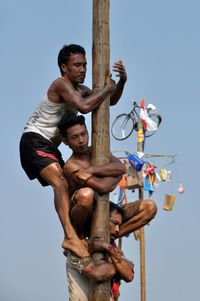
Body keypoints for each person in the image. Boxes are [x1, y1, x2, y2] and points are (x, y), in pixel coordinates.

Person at [19, 44, 127, 258]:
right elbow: (86, 106)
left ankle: (76, 235)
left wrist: (121, 82)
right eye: (77, 65)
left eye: (84, 65)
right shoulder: (61, 84)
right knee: (59, 182)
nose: (83, 69)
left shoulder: (80, 90)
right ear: (64, 67)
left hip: (48, 146)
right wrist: (106, 88)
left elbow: (109, 101)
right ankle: (70, 236)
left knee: (68, 188)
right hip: (34, 141)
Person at [59, 114, 157, 241]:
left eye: (84, 134)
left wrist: (92, 170)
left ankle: (108, 239)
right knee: (86, 195)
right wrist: (115, 174)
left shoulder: (97, 150)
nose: (81, 140)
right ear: (66, 141)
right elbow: (104, 187)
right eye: (75, 137)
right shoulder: (71, 166)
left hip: (107, 210)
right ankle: (80, 237)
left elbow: (121, 168)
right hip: (85, 218)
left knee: (150, 207)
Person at [66, 202, 134, 301]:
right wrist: (119, 267)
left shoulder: (112, 250)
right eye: (114, 223)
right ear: (102, 221)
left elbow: (129, 276)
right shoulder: (78, 248)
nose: (117, 230)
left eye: (119, 225)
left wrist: (107, 248)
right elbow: (98, 274)